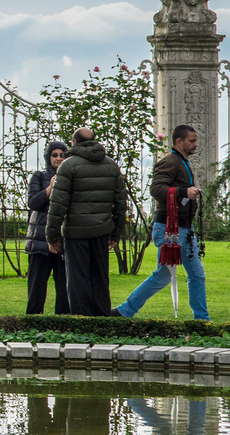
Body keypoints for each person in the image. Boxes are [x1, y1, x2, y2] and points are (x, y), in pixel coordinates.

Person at [120, 123, 209, 321]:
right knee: (164, 276)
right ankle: (125, 310)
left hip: (183, 228)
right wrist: (184, 192)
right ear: (179, 141)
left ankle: (201, 319)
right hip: (171, 228)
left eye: (196, 141)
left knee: (196, 274)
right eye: (191, 141)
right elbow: (156, 189)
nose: (196, 145)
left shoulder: (181, 161)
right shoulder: (170, 161)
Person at [46, 125, 127, 317]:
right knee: (100, 277)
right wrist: (116, 233)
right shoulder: (111, 165)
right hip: (102, 231)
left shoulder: (68, 165)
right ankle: (102, 319)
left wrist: (52, 236)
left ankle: (81, 321)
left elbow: (58, 205)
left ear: (74, 143)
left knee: (77, 279)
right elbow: (120, 203)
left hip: (76, 232)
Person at [24, 141, 70, 315]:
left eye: (61, 155)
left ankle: (62, 321)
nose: (58, 158)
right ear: (48, 157)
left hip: (62, 239)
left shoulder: (70, 177)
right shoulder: (39, 176)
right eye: (54, 155)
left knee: (64, 287)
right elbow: (33, 203)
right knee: (37, 285)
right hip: (40, 240)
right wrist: (49, 190)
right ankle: (33, 320)